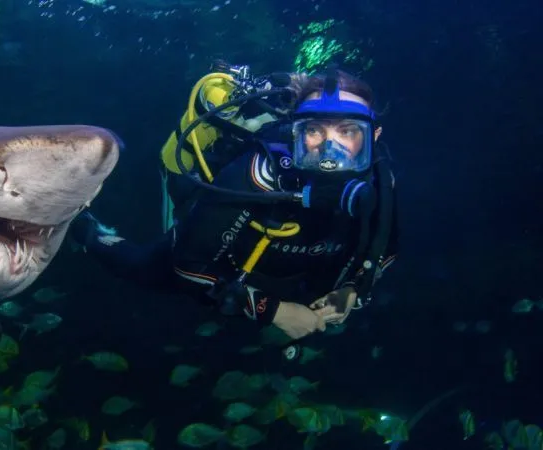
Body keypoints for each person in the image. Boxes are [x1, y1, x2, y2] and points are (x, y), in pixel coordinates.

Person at [70, 64, 398, 341]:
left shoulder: (381, 182)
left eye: (348, 132)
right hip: (225, 267)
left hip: (297, 275)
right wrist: (274, 311)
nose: (330, 149)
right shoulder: (258, 174)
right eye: (314, 131)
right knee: (141, 268)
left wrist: (353, 289)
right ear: (295, 133)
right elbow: (188, 264)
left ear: (374, 136)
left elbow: (386, 249)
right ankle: (82, 227)